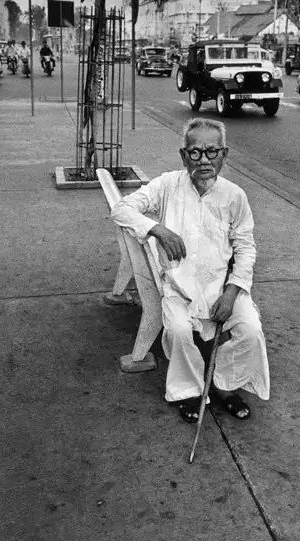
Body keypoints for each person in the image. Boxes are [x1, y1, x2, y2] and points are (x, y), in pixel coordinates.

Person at [111, 117, 270, 423]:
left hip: (223, 286)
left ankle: (223, 385)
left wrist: (233, 291)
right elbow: (121, 209)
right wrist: (158, 229)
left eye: (212, 152)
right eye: (195, 152)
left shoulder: (235, 196)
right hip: (179, 287)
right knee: (179, 332)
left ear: (224, 154)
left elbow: (246, 248)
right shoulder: (168, 184)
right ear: (184, 156)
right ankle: (190, 391)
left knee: (251, 331)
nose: (204, 160)